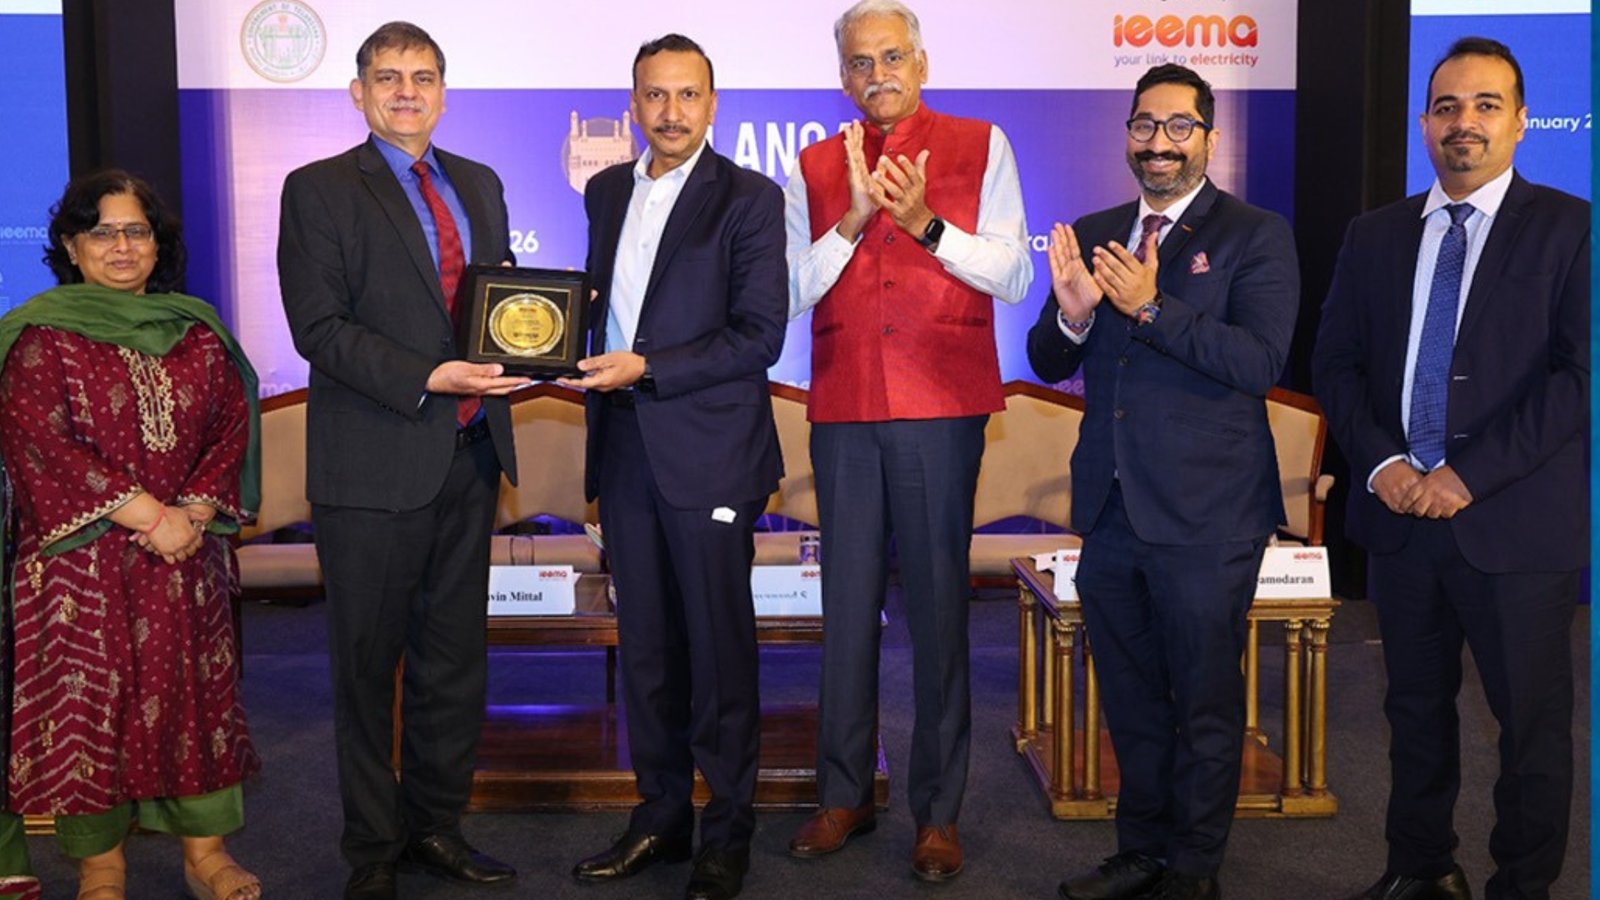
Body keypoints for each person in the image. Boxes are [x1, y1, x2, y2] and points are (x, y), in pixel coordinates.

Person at [1313, 37, 1588, 900]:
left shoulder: (1572, 228)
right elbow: (1337, 365)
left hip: (1513, 526)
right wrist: (1386, 462)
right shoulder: (1374, 234)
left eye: (1484, 105)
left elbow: (1580, 377)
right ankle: (1421, 868)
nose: (1462, 122)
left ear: (1520, 121)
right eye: (1446, 106)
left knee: (1530, 729)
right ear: (1424, 122)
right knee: (1413, 717)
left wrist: (1466, 476)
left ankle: (1522, 887)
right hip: (1400, 524)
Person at [1027, 64, 1299, 900]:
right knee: (1134, 702)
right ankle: (1139, 851)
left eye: (1179, 127)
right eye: (1145, 125)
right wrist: (1073, 311)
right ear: (1128, 136)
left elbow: (1258, 362)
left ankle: (1193, 868)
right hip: (1110, 512)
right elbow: (1046, 358)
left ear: (1209, 140)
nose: (1159, 143)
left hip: (1208, 517)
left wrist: (1149, 306)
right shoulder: (1102, 229)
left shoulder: (1257, 233)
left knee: (1206, 705)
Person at [276, 21, 526, 900]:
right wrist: (428, 373)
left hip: (468, 454)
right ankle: (372, 851)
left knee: (453, 662)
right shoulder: (317, 189)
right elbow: (320, 327)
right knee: (365, 664)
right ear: (359, 92)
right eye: (388, 77)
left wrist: (535, 344)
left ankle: (437, 828)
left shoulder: (480, 184)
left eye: (423, 77)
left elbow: (499, 303)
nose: (407, 91)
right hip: (373, 465)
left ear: (445, 92)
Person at [783, 0, 1032, 881]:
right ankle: (843, 797)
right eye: (859, 61)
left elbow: (1013, 272)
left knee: (935, 614)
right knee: (845, 612)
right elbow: (790, 293)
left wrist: (927, 223)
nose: (876, 73)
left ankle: (938, 813)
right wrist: (850, 222)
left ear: (921, 63)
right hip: (846, 404)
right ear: (842, 75)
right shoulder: (813, 164)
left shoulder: (980, 142)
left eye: (892, 57)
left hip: (940, 406)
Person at [560, 34, 787, 900]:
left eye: (688, 95)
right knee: (648, 650)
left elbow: (757, 335)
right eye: (655, 96)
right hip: (622, 449)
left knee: (720, 654)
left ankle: (728, 830)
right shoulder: (607, 188)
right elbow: (596, 310)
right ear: (634, 103)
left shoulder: (751, 198)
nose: (671, 112)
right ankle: (659, 818)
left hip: (712, 455)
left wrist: (646, 367)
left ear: (713, 103)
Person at [0, 169, 262, 900]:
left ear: (158, 242)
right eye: (102, 232)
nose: (121, 247)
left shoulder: (197, 330)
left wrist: (196, 514)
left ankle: (205, 854)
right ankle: (101, 866)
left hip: (187, 557)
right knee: (90, 711)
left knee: (196, 703)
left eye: (136, 230)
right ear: (71, 246)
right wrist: (148, 514)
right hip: (80, 567)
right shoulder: (39, 336)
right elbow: (38, 440)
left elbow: (228, 426)